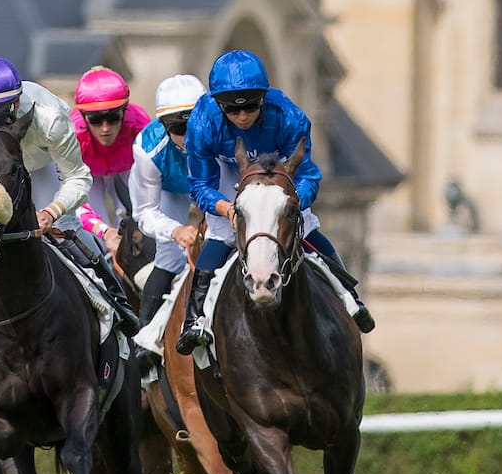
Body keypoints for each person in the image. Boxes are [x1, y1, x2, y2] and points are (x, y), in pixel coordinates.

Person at [176, 47, 375, 352]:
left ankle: (349, 297)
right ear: (218, 105)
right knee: (219, 235)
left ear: (264, 99)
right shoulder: (203, 122)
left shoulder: (288, 117)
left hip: (278, 172)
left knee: (307, 228)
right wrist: (227, 208)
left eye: (251, 107)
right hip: (230, 173)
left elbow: (308, 175)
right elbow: (201, 185)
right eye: (232, 109)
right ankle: (194, 321)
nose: (242, 116)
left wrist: (291, 203)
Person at [0, 52, 139, 352]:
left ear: (16, 104)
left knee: (75, 236)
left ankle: (117, 305)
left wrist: (51, 212)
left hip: (42, 167)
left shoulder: (49, 117)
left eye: (0, 113)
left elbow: (78, 177)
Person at [129, 73, 206, 357]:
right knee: (170, 256)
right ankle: (146, 338)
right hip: (170, 190)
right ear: (162, 126)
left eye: (194, 124)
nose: (188, 136)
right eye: (177, 127)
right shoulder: (148, 148)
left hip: (212, 184)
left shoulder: (223, 133)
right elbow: (146, 212)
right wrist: (176, 230)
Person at [69, 66, 151, 249]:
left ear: (124, 112)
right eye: (96, 120)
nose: (105, 129)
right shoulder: (72, 135)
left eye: (113, 118)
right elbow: (73, 199)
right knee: (98, 234)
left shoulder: (141, 126)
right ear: (83, 117)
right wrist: (103, 230)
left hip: (127, 167)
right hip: (88, 172)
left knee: (133, 216)